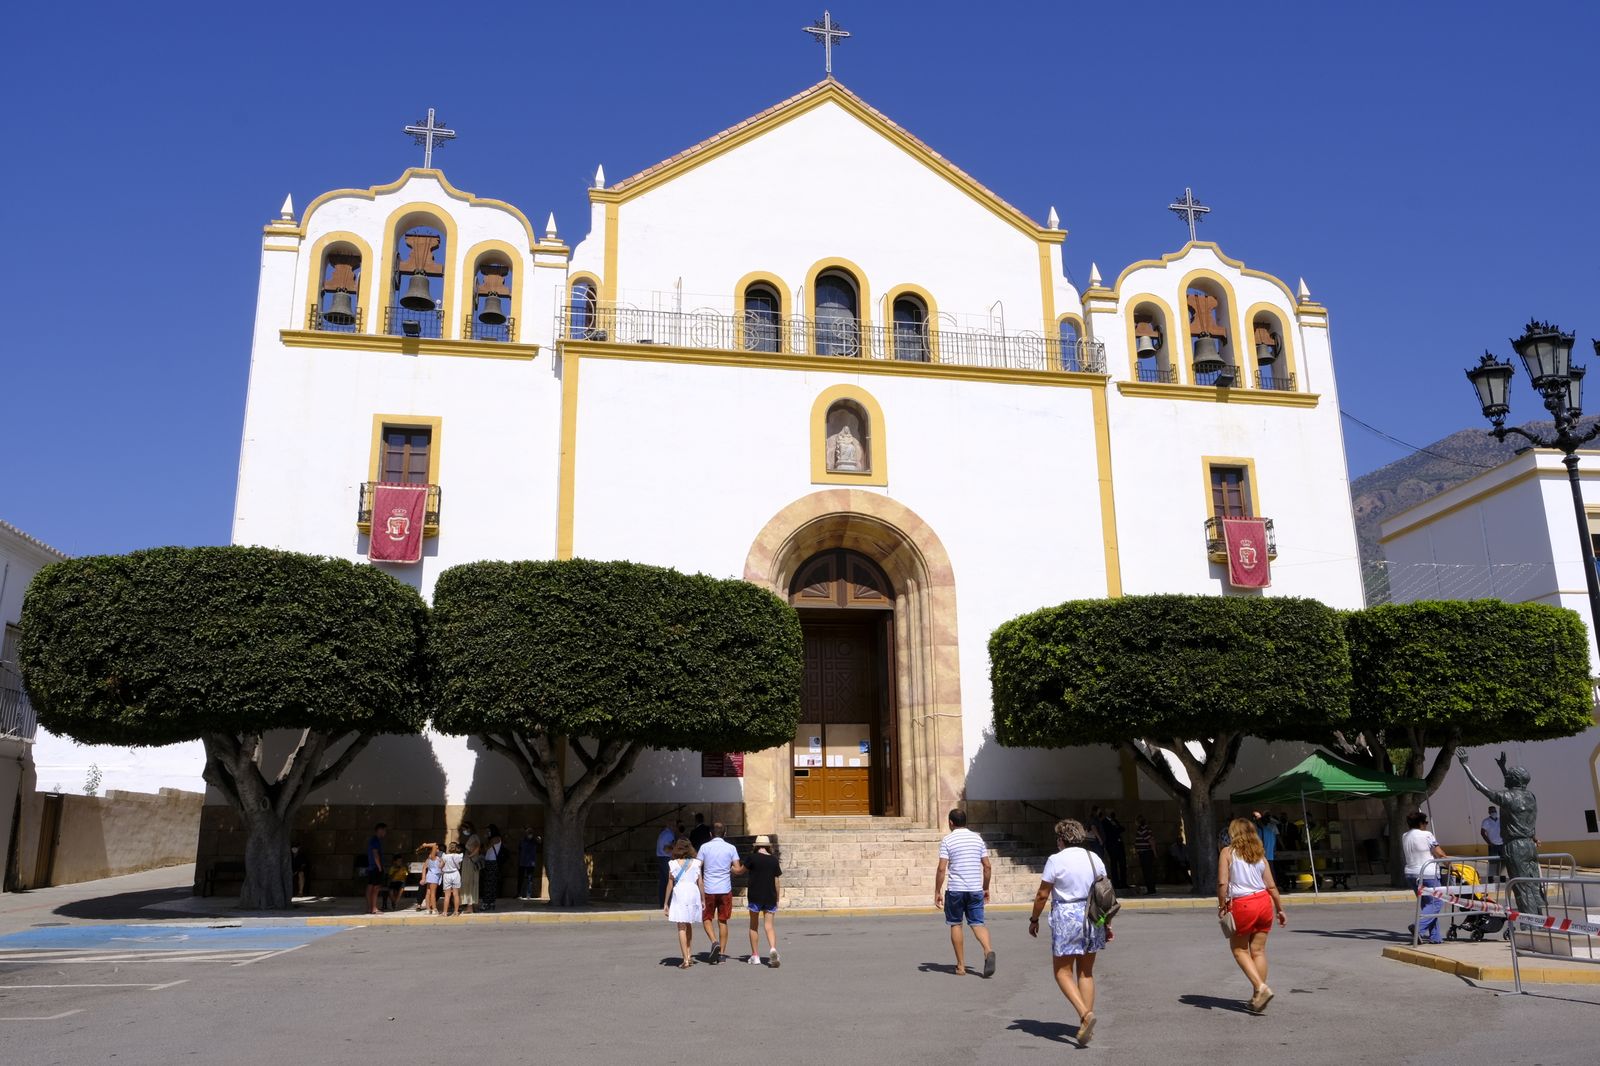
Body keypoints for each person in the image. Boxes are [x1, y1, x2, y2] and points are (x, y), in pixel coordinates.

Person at [1029, 819, 1109, 1048]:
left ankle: (1085, 1015)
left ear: (1062, 839)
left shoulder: (1057, 859)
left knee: (1062, 972)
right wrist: (1108, 924)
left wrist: (1034, 919)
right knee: (1086, 972)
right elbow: (1105, 892)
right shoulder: (1095, 858)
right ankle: (1085, 1025)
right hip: (1093, 916)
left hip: (1067, 916)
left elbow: (1043, 894)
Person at [1219, 817, 1287, 1013]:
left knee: (1239, 950)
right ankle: (1258, 996)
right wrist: (1280, 909)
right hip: (1264, 902)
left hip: (1243, 904)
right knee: (1258, 951)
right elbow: (1271, 886)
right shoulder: (1260, 856)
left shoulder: (1227, 853)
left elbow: (1222, 883)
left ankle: (1261, 987)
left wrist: (1222, 904)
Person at [934, 808, 995, 978]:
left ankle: (961, 966)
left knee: (956, 924)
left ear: (951, 822)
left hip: (956, 889)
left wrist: (937, 891)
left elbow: (941, 868)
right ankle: (988, 950)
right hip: (975, 888)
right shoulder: (977, 839)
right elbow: (987, 866)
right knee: (977, 923)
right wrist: (986, 887)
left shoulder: (948, 840)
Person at [697, 822, 742, 964]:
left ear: (710, 834)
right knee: (723, 920)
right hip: (725, 889)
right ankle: (722, 954)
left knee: (706, 918)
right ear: (725, 833)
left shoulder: (704, 847)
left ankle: (714, 941)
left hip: (709, 888)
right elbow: (737, 868)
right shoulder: (731, 848)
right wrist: (729, 869)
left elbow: (697, 867)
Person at [1402, 811, 1446, 944]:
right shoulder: (1427, 835)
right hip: (1427, 873)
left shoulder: (1405, 836)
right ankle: (1418, 928)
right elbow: (1439, 852)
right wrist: (1450, 864)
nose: (1427, 825)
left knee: (1428, 905)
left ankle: (1435, 937)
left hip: (1410, 873)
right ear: (1421, 823)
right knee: (1436, 902)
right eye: (1425, 822)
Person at [663, 838, 704, 969]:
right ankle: (689, 954)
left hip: (680, 892)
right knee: (689, 923)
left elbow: (670, 884)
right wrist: (703, 899)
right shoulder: (697, 863)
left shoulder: (673, 864)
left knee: (681, 926)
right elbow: (700, 883)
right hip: (693, 892)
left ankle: (685, 959)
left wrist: (666, 903)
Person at [744, 835, 782, 968]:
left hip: (755, 895)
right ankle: (772, 949)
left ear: (756, 846)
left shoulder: (752, 858)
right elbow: (777, 881)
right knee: (769, 926)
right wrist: (777, 897)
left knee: (753, 925)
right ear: (768, 846)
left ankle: (755, 955)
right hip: (770, 895)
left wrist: (733, 870)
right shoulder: (773, 860)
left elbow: (742, 870)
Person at [1100, 809, 1128, 890]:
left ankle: (1123, 882)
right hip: (1112, 846)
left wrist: (1116, 827)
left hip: (1119, 845)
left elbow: (1122, 828)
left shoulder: (1115, 821)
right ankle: (1116, 883)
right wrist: (1116, 829)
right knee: (1114, 865)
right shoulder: (1104, 822)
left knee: (1122, 863)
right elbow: (1111, 832)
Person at [364, 823, 388, 915]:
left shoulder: (373, 840)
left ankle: (369, 908)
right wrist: (379, 867)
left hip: (371, 867)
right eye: (384, 830)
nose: (385, 833)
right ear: (380, 830)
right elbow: (375, 854)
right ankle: (374, 908)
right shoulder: (375, 840)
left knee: (370, 887)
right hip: (375, 867)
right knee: (376, 888)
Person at [480, 824, 503, 912]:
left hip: (492, 862)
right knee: (490, 883)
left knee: (488, 884)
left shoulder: (495, 838)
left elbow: (486, 848)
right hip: (489, 862)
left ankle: (486, 903)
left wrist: (486, 839)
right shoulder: (493, 839)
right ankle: (491, 902)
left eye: (488, 831)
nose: (487, 833)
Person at [1132, 815, 1157, 896]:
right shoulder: (1144, 829)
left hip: (1146, 853)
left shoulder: (1143, 829)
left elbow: (1151, 841)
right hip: (1144, 853)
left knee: (1148, 871)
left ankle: (1151, 889)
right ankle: (1151, 888)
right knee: (1147, 871)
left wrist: (1154, 852)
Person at [439, 840, 464, 918]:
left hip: (447, 875)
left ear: (449, 848)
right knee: (456, 894)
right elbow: (459, 864)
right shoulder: (459, 856)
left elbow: (440, 866)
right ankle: (456, 912)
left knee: (447, 895)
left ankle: (445, 913)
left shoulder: (445, 856)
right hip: (456, 874)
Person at [415, 842, 441, 915]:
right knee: (433, 893)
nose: (438, 849)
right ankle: (434, 909)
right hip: (433, 876)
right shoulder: (432, 856)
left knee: (428, 893)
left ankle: (428, 909)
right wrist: (425, 845)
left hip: (430, 876)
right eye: (437, 849)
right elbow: (434, 845)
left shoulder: (431, 857)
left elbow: (424, 867)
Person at [1480, 804, 1503, 880]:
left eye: (1494, 810)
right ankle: (1491, 879)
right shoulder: (1486, 821)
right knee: (1493, 862)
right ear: (1489, 812)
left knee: (1503, 862)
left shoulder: (1500, 820)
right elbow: (1482, 833)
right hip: (1493, 845)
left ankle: (1502, 878)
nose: (1493, 812)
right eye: (1492, 811)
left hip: (1502, 844)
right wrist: (1489, 843)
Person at [460, 834, 480, 915]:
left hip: (470, 864)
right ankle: (471, 906)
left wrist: (470, 855)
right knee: (470, 885)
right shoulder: (474, 837)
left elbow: (478, 847)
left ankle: (470, 907)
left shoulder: (474, 837)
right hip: (469, 863)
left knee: (469, 885)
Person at [519, 828, 542, 901]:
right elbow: (519, 849)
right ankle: (519, 894)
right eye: (528, 833)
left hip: (530, 863)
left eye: (530, 833)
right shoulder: (523, 841)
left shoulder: (534, 841)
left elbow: (539, 842)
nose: (529, 834)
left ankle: (528, 894)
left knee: (530, 879)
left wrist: (539, 839)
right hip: (523, 862)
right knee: (521, 879)